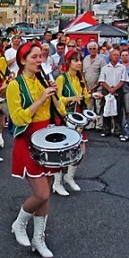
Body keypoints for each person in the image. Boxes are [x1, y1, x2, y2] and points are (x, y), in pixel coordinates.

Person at [7, 42, 66, 258]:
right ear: (22, 61)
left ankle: (38, 239)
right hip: (28, 140)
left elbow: (61, 110)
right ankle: (19, 223)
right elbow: (18, 118)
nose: (39, 60)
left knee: (46, 195)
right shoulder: (15, 85)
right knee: (41, 193)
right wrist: (41, 99)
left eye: (41, 56)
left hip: (47, 140)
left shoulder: (43, 81)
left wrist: (55, 95)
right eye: (34, 57)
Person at [53, 48, 91, 196]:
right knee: (63, 152)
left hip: (78, 119)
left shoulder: (80, 79)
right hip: (65, 118)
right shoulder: (62, 78)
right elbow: (56, 99)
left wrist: (92, 95)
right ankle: (57, 183)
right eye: (75, 60)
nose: (79, 63)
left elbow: (85, 97)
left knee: (80, 152)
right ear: (68, 62)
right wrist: (71, 99)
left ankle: (69, 177)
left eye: (80, 60)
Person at [99, 48, 129, 140]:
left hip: (118, 90)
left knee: (118, 111)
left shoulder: (122, 67)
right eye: (114, 55)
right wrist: (109, 89)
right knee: (106, 110)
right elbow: (102, 80)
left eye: (117, 55)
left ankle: (118, 130)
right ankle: (106, 129)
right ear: (110, 56)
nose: (116, 56)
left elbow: (123, 80)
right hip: (107, 90)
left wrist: (115, 89)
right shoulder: (105, 68)